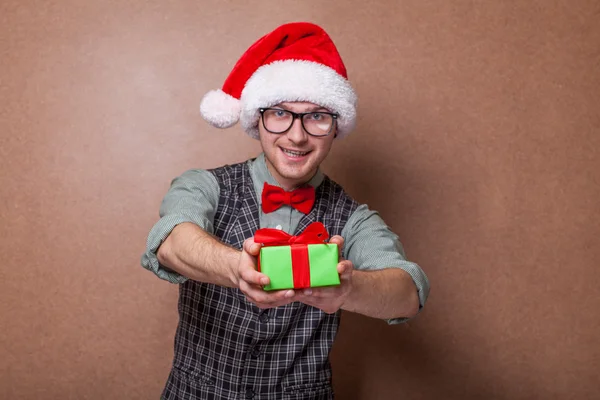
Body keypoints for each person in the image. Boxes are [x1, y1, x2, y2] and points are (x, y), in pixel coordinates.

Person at [141, 21, 430, 400]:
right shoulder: (203, 184)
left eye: (316, 116)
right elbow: (172, 239)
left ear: (335, 126)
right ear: (256, 119)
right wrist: (235, 268)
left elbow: (408, 292)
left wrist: (348, 288)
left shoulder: (354, 218)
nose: (296, 135)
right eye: (280, 113)